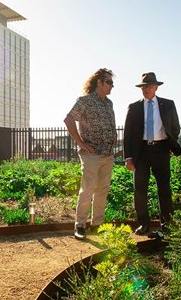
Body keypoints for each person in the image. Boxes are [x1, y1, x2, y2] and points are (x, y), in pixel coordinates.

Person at [123, 72, 181, 237]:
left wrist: (169, 145)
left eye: (149, 86)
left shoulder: (168, 104)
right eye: (143, 87)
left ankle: (167, 226)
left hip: (161, 150)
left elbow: (175, 127)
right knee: (139, 189)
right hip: (141, 151)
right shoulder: (134, 108)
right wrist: (128, 157)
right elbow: (127, 134)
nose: (145, 89)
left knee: (164, 188)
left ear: (156, 87)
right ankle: (143, 224)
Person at [64, 68, 117, 240]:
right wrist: (80, 143)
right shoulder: (85, 101)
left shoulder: (109, 103)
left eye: (112, 83)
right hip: (91, 155)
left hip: (108, 155)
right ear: (99, 83)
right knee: (87, 190)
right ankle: (80, 225)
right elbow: (69, 119)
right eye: (109, 82)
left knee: (102, 190)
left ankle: (97, 225)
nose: (112, 86)